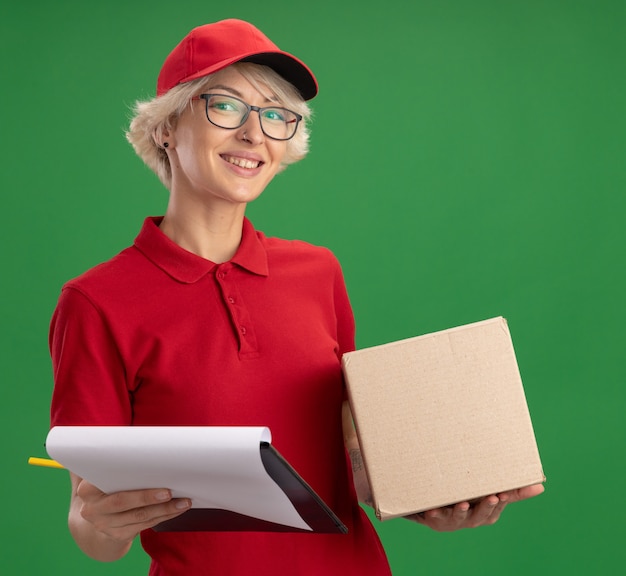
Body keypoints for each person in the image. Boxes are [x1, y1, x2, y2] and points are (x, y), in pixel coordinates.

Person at [49, 18, 544, 575]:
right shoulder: (96, 302)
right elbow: (91, 523)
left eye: (276, 115)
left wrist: (430, 495)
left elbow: (341, 467)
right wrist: (103, 523)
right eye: (227, 106)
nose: (254, 134)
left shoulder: (317, 272)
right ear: (167, 126)